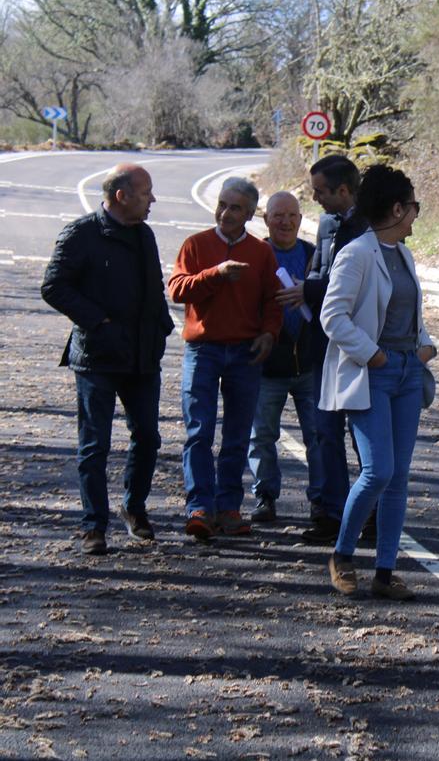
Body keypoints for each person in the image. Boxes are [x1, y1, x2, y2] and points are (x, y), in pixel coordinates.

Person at [41, 164, 173, 555]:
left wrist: (162, 325)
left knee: (148, 437)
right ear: (123, 196)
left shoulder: (144, 235)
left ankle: (134, 508)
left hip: (142, 356)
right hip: (98, 357)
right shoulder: (82, 233)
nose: (153, 199)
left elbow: (154, 287)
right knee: (94, 445)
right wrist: (97, 321)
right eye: (146, 192)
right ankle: (93, 526)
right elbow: (54, 286)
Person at [321, 164, 437, 601]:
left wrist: (425, 346)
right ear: (396, 208)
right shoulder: (356, 254)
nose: (414, 215)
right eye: (412, 207)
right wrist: (375, 354)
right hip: (372, 373)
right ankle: (342, 555)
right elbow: (332, 317)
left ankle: (385, 571)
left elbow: (411, 315)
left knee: (398, 476)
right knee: (378, 471)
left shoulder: (402, 254)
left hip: (408, 372)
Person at [168, 177, 282, 541]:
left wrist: (269, 333)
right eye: (222, 204)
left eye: (235, 208)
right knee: (199, 432)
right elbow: (177, 289)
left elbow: (272, 300)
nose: (225, 213)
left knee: (236, 435)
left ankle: (229, 508)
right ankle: (199, 507)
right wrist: (214, 274)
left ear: (249, 214)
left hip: (246, 352)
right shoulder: (196, 244)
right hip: (204, 350)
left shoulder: (261, 252)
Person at [300, 155, 370, 545]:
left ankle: (370, 512)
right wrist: (307, 285)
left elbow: (358, 286)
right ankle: (331, 513)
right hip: (321, 345)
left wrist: (307, 290)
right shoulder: (326, 224)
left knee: (363, 434)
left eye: (321, 191)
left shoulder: (370, 226)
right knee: (325, 432)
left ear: (344, 190)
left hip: (358, 345)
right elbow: (319, 271)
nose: (316, 199)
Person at [246, 191, 322, 522]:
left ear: (301, 220)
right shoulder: (256, 256)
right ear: (266, 219)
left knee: (318, 435)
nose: (286, 221)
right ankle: (265, 496)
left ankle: (322, 499)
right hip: (266, 366)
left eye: (292, 215)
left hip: (309, 364)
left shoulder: (314, 256)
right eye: (278, 215)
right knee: (261, 435)